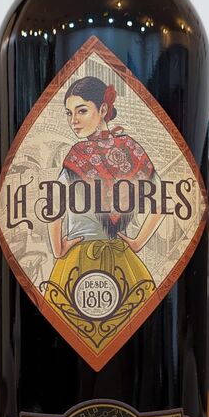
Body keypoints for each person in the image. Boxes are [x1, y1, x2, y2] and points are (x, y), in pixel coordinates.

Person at [42, 75, 162, 341]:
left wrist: (58, 249)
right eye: (69, 113)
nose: (74, 120)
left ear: (104, 109)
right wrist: (137, 242)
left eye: (82, 111)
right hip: (123, 257)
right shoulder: (131, 149)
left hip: (77, 257)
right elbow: (161, 200)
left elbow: (55, 205)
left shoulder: (77, 155)